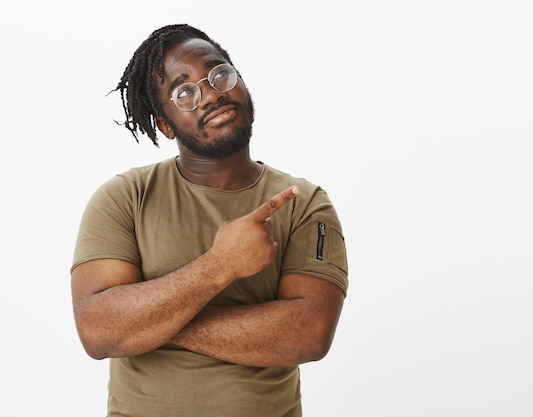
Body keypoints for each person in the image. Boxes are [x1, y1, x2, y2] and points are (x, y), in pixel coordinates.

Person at [70, 23, 348, 417]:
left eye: (219, 74)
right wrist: (220, 266)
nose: (211, 95)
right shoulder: (124, 198)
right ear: (165, 125)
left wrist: (152, 326)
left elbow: (310, 334)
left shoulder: (304, 204)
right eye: (184, 92)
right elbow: (99, 332)